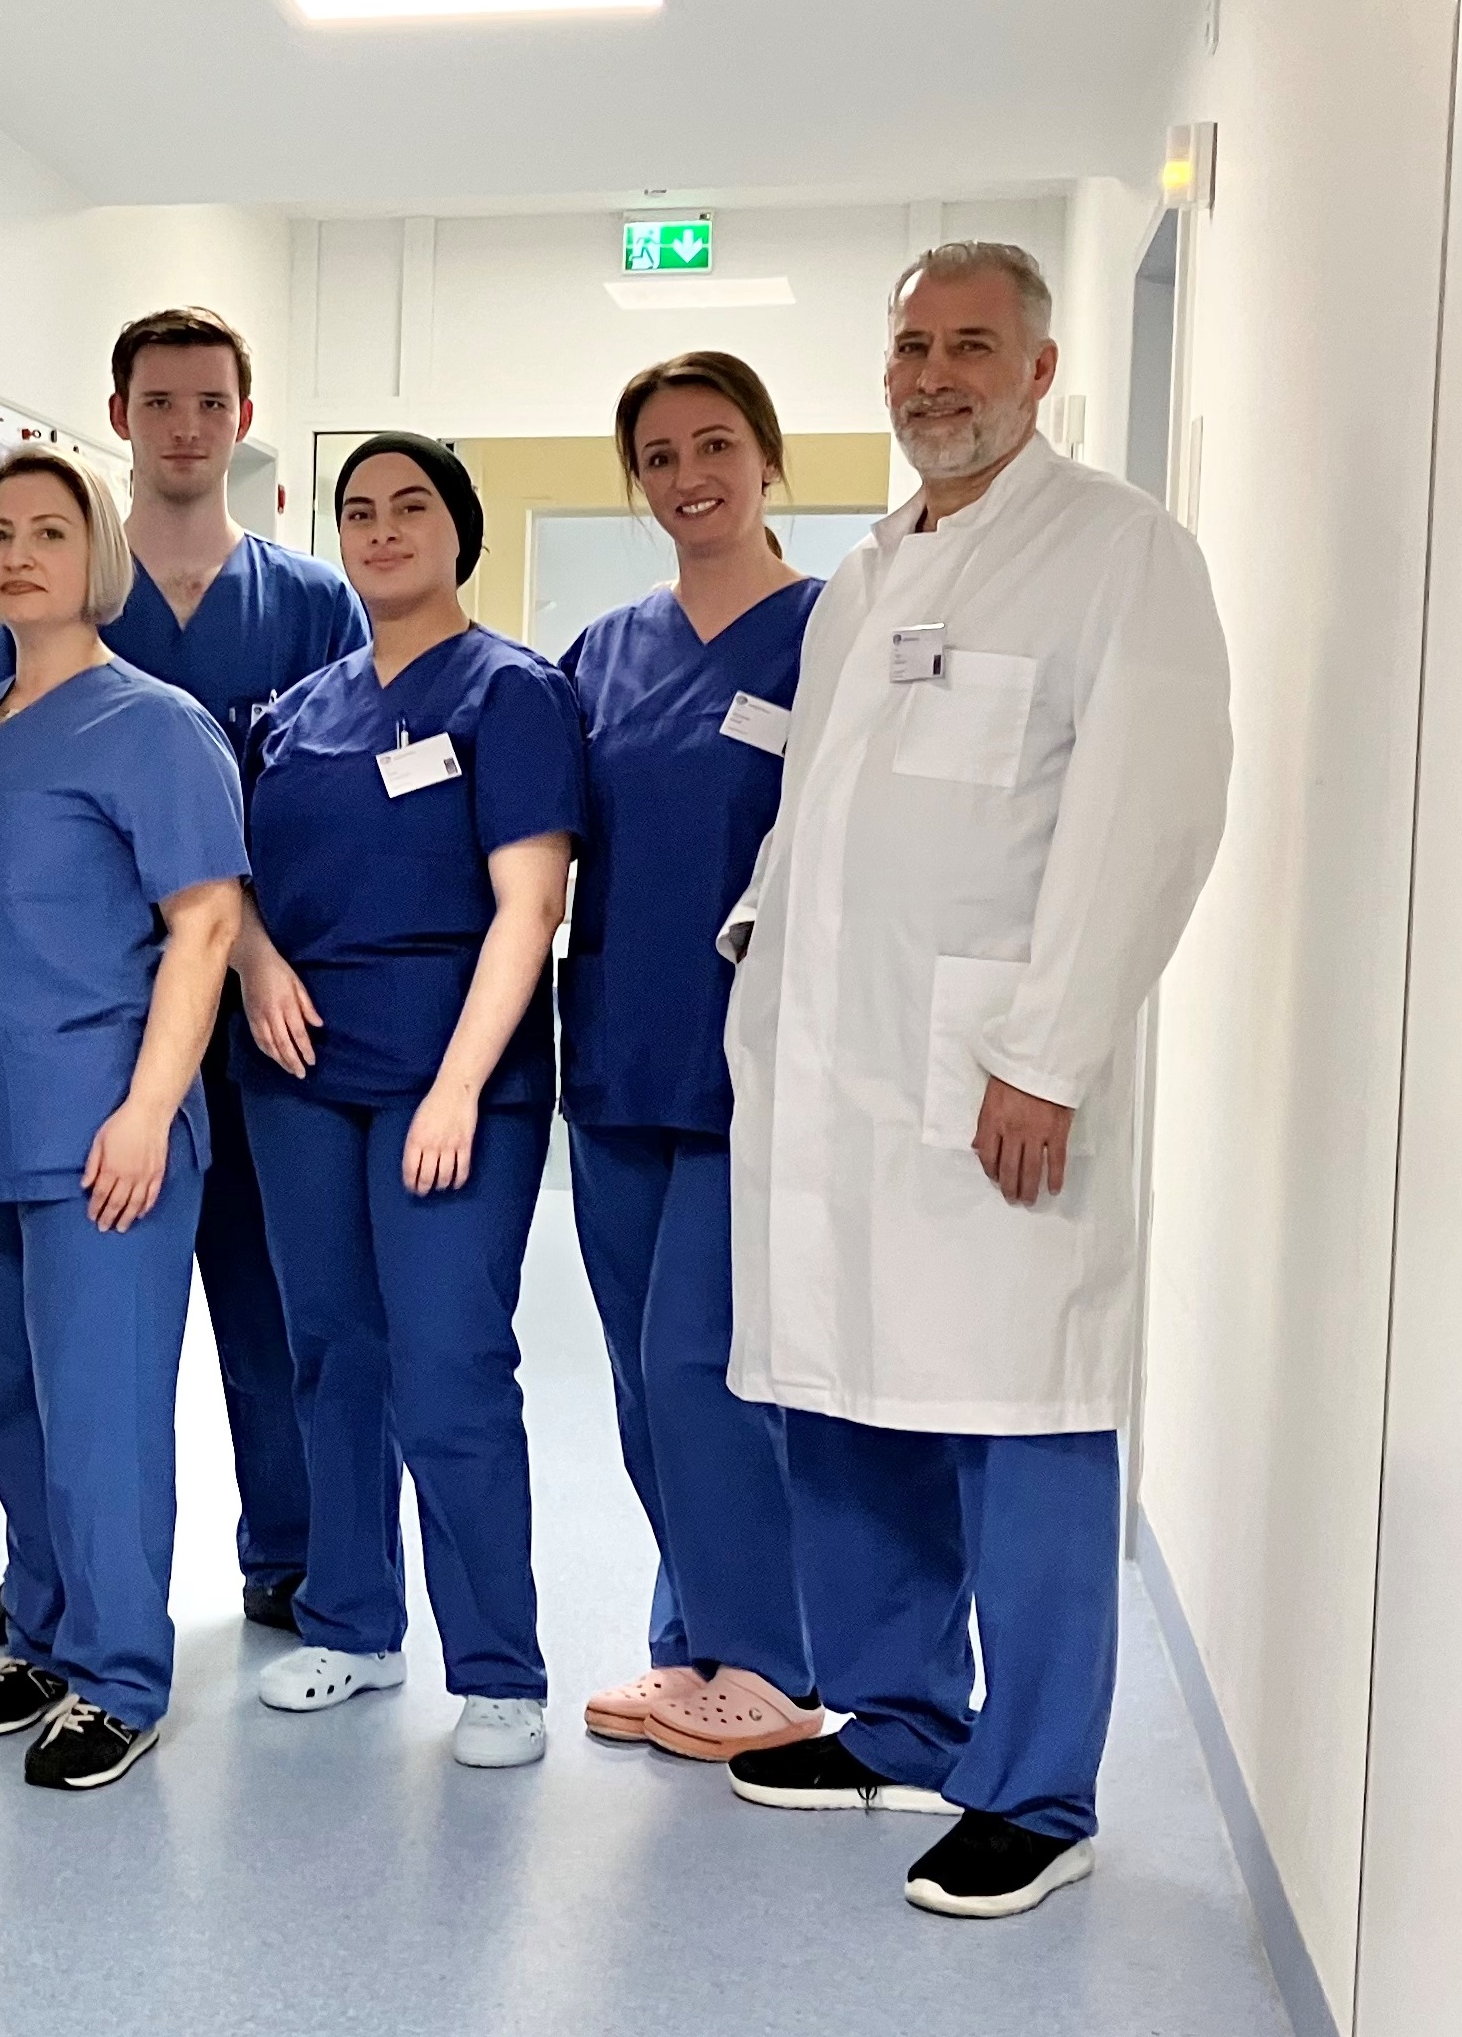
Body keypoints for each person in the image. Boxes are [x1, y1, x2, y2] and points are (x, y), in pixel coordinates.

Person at [719, 243, 1230, 1919]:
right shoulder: (868, 572)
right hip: (831, 1063)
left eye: (970, 346)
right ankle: (899, 1717)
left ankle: (1036, 1787)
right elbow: (820, 800)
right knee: (843, 1396)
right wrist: (755, 937)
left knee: (1022, 1415)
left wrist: (1048, 1053)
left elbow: (1149, 819)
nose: (934, 375)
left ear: (1039, 369)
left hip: (990, 1076)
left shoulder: (1117, 553)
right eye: (911, 348)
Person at [0, 308, 365, 1647]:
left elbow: (322, 810)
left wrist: (258, 956)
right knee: (51, 1346)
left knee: (270, 1302)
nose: (187, 426)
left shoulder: (308, 605)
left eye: (211, 402)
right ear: (119, 414)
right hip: (93, 1035)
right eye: (161, 401)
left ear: (245, 419)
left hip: (271, 1009)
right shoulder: (43, 615)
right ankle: (53, 1576)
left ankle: (290, 1554)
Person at [234, 435, 582, 1770]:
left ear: (458, 531)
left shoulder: (511, 692)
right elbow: (229, 879)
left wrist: (458, 1085)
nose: (381, 530)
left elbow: (528, 907)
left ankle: (498, 1671)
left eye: (410, 507)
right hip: (300, 1073)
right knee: (331, 1352)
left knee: (448, 1362)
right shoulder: (293, 711)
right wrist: (256, 964)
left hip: (455, 1079)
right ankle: (352, 1623)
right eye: (358, 511)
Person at [0, 449, 249, 1791]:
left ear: (98, 555)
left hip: (103, 1125)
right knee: (11, 1401)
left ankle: (119, 1674)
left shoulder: (153, 725)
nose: (20, 554)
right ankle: (44, 1634)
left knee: (101, 1414)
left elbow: (204, 925)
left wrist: (150, 1108)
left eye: (51, 531)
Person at [560, 353, 824, 1765]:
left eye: (714, 445)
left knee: (699, 1365)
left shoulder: (833, 635)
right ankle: (695, 1643)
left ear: (766, 456)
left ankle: (774, 1661)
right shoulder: (601, 654)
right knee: (633, 1369)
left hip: (757, 1068)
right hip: (616, 1055)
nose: (688, 477)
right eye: (657, 456)